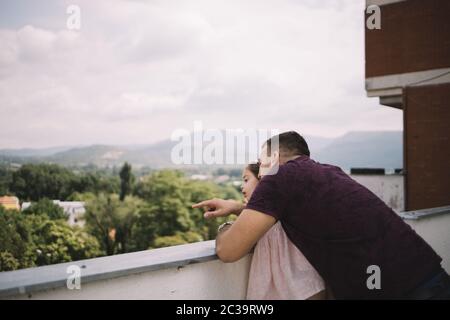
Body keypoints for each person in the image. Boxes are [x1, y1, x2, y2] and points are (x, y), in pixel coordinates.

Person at [193, 131, 450, 299]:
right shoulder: (328, 172)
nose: (260, 173)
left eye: (261, 163)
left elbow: (229, 251)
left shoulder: (278, 177)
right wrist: (238, 206)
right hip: (428, 276)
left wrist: (226, 226)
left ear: (272, 158)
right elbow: (300, 210)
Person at [241, 163, 325, 300]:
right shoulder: (290, 216)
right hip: (309, 289)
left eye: (246, 179)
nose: (242, 187)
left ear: (263, 182)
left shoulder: (271, 222)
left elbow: (227, 250)